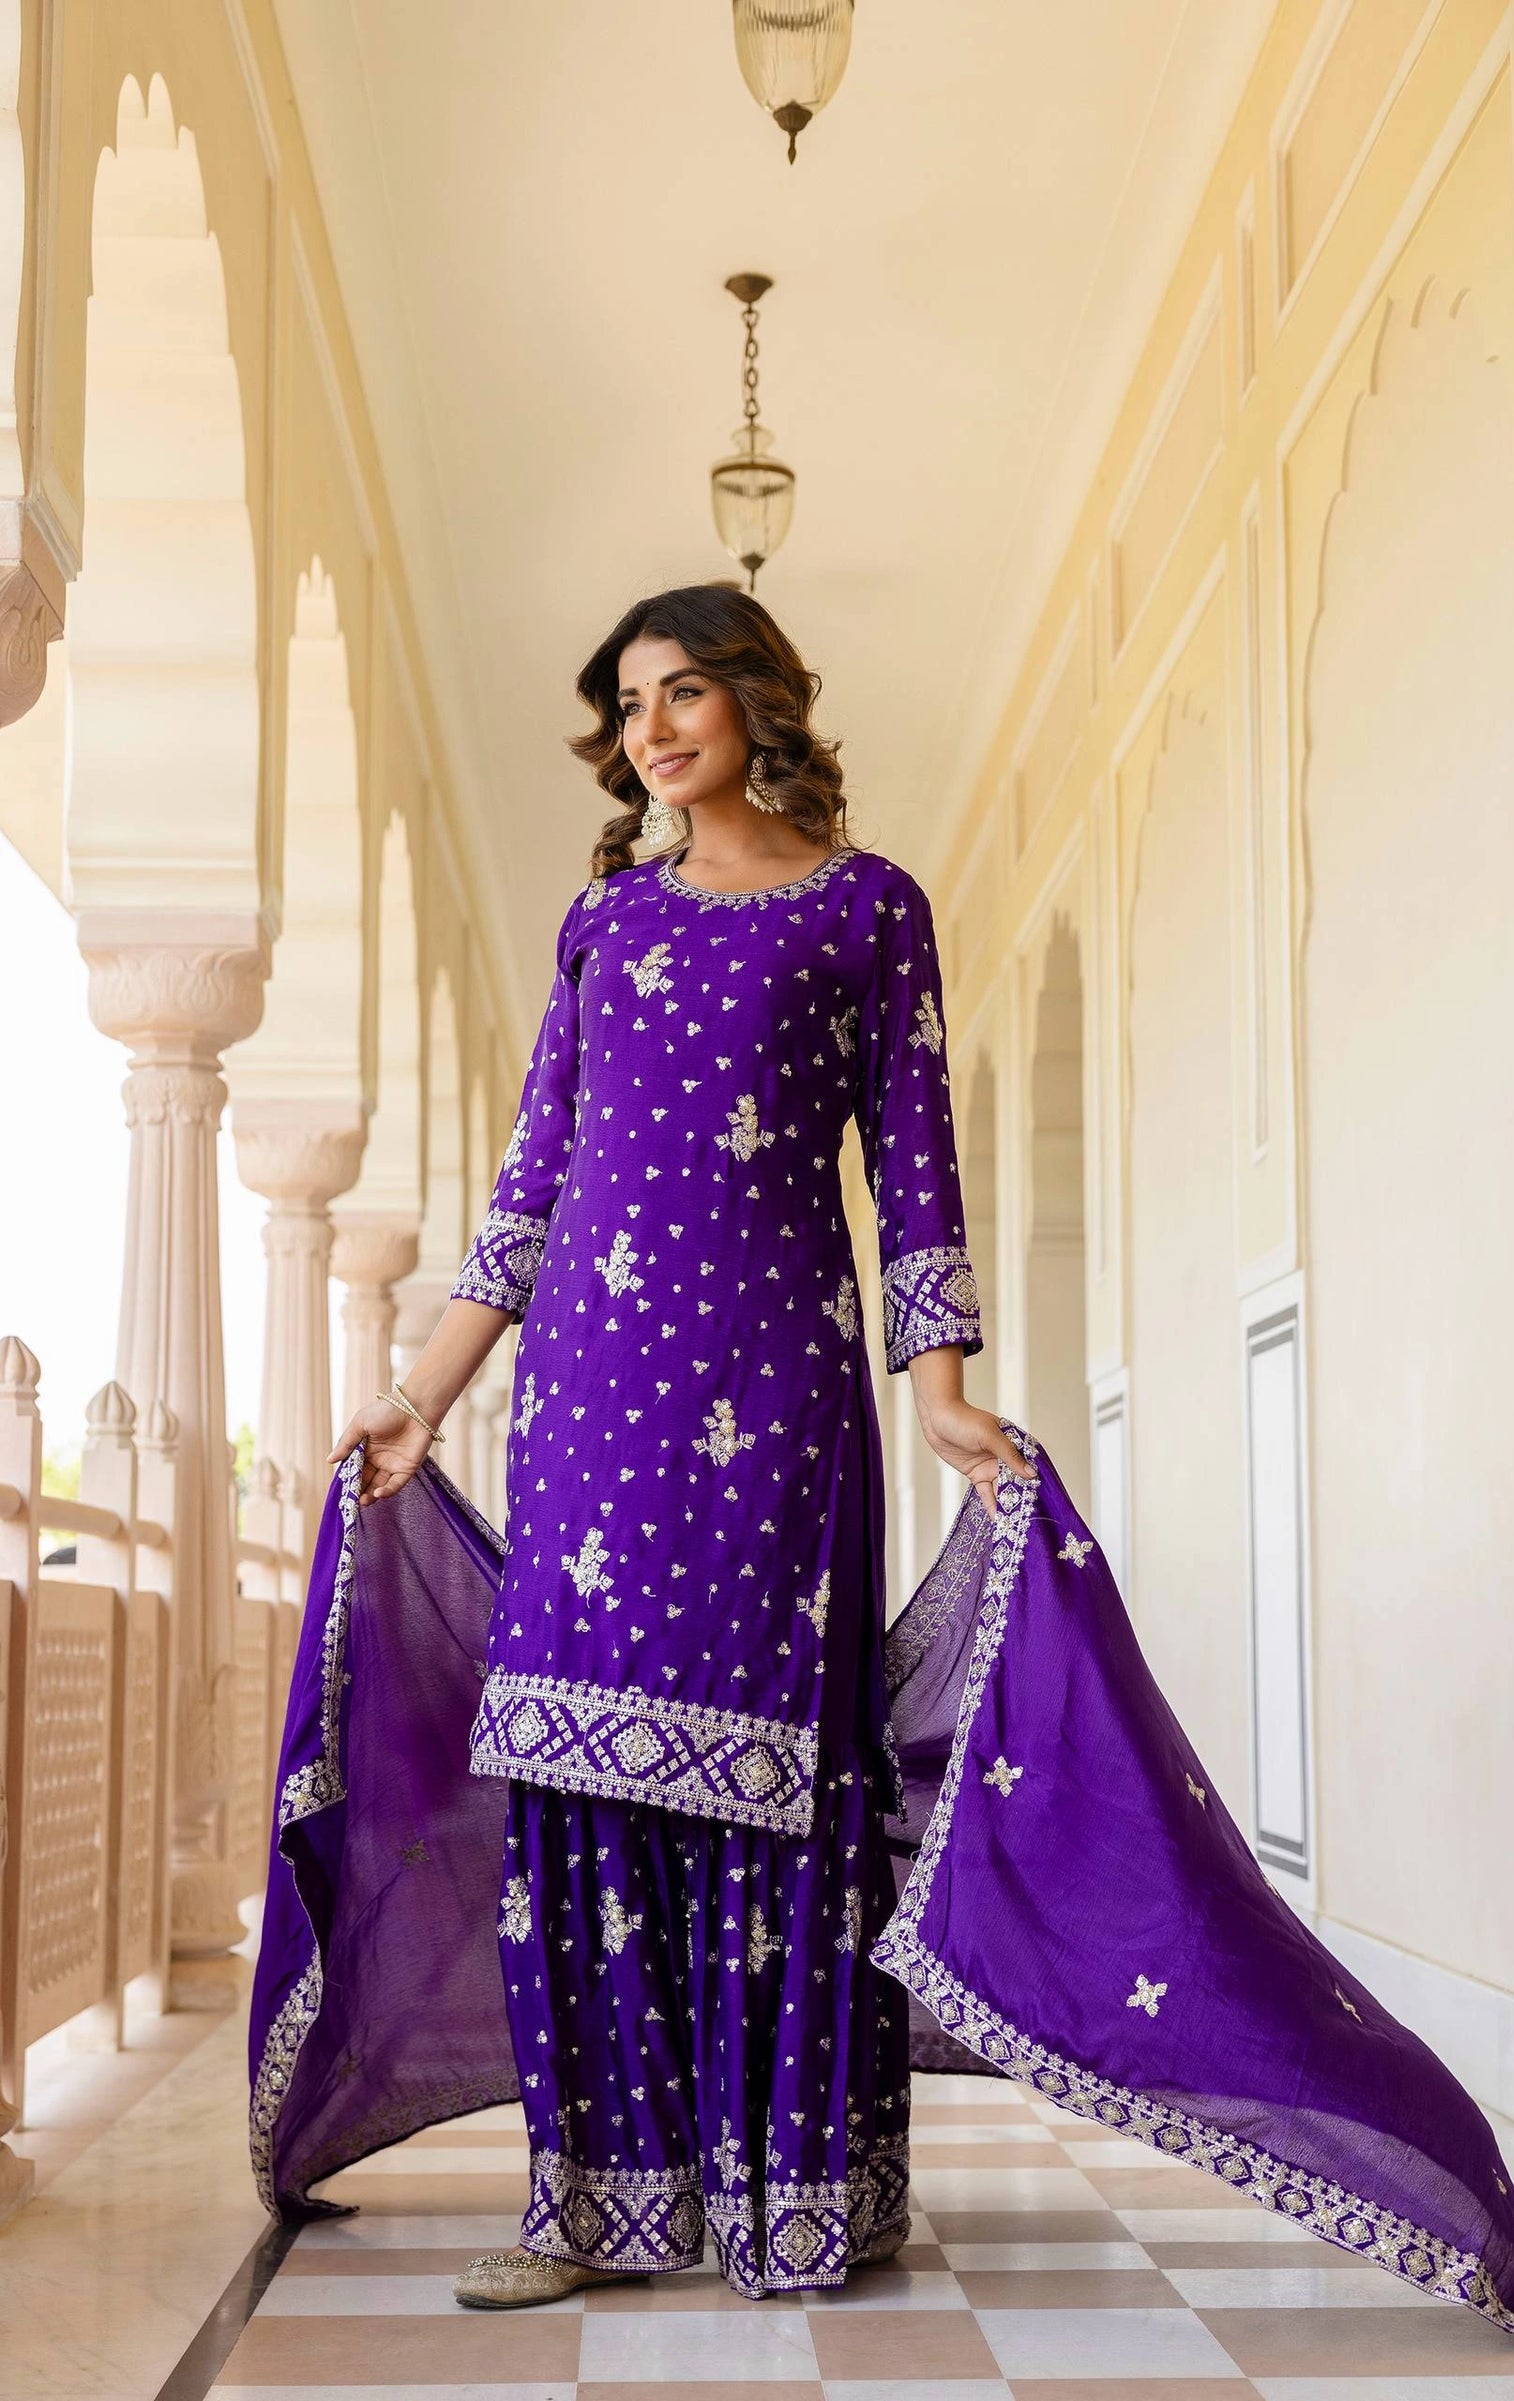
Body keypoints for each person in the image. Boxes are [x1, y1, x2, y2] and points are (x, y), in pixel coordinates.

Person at [327, 581, 1028, 2305]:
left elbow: (918, 1167)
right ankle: (587, 2201)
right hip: (586, 1407)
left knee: (779, 1783)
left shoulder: (872, 911)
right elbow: (527, 1188)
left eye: (684, 687)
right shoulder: (604, 927)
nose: (652, 725)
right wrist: (424, 1392)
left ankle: (788, 2187)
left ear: (762, 699)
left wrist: (939, 1388)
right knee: (577, 1772)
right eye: (631, 702)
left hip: (783, 1402)